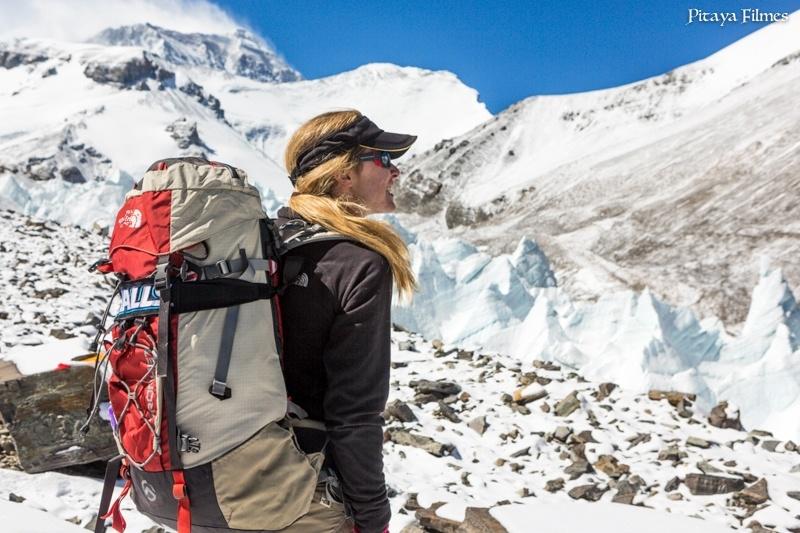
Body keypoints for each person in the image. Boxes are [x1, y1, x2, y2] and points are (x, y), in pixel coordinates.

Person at [275, 110, 417, 533]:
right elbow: (355, 415)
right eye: (384, 160)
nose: (396, 171)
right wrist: (373, 520)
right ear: (344, 175)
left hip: (226, 478)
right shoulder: (358, 263)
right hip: (303, 496)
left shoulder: (268, 245)